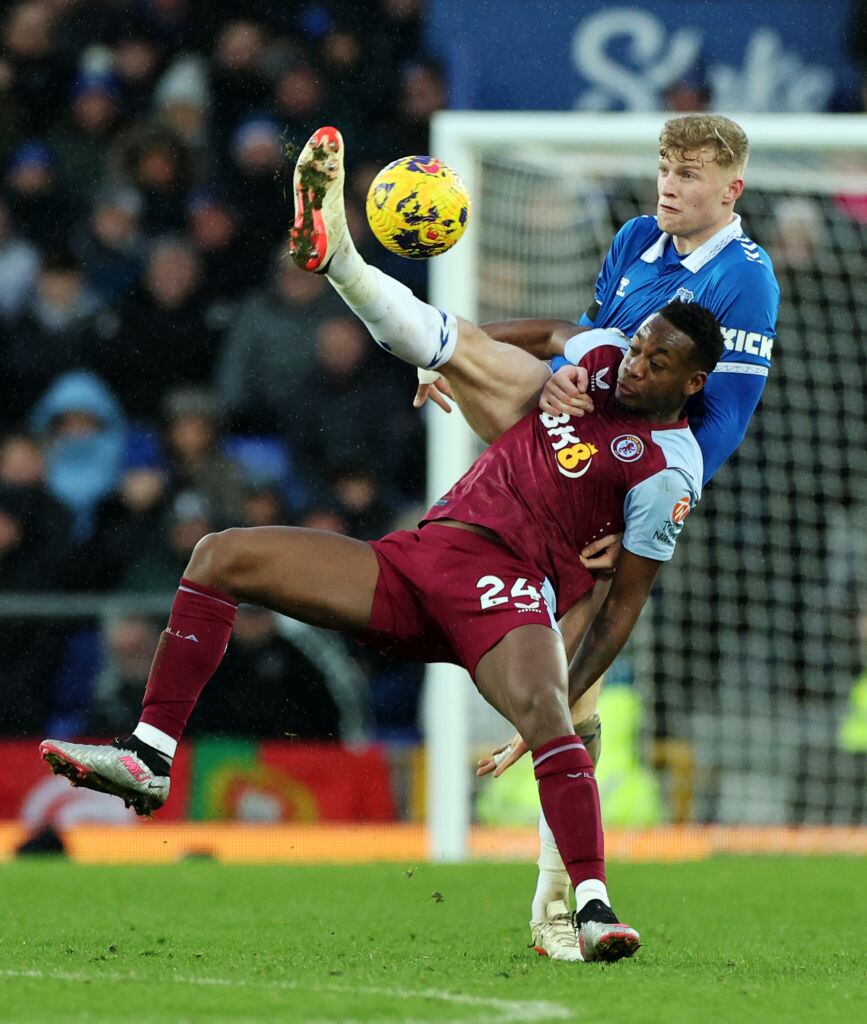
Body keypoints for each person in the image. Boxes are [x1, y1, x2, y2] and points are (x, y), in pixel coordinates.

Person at [40, 128, 725, 964]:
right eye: (639, 344)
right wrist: (467, 361)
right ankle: (149, 757)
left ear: (691, 385)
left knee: (551, 719)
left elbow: (622, 602)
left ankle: (590, 907)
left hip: (503, 592)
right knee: (220, 554)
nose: (633, 364)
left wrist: (568, 681)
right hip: (416, 561)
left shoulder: (666, 466)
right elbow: (551, 332)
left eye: (656, 362)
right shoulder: (601, 358)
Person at [418, 112, 781, 959]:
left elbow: (721, 417)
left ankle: (560, 904)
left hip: (626, 487)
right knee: (555, 671)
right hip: (566, 454)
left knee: (566, 677)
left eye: (689, 173)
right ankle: (431, 349)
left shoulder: (745, 279)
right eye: (664, 166)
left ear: (730, 189)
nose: (669, 184)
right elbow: (580, 342)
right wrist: (562, 379)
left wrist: (643, 514)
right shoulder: (631, 238)